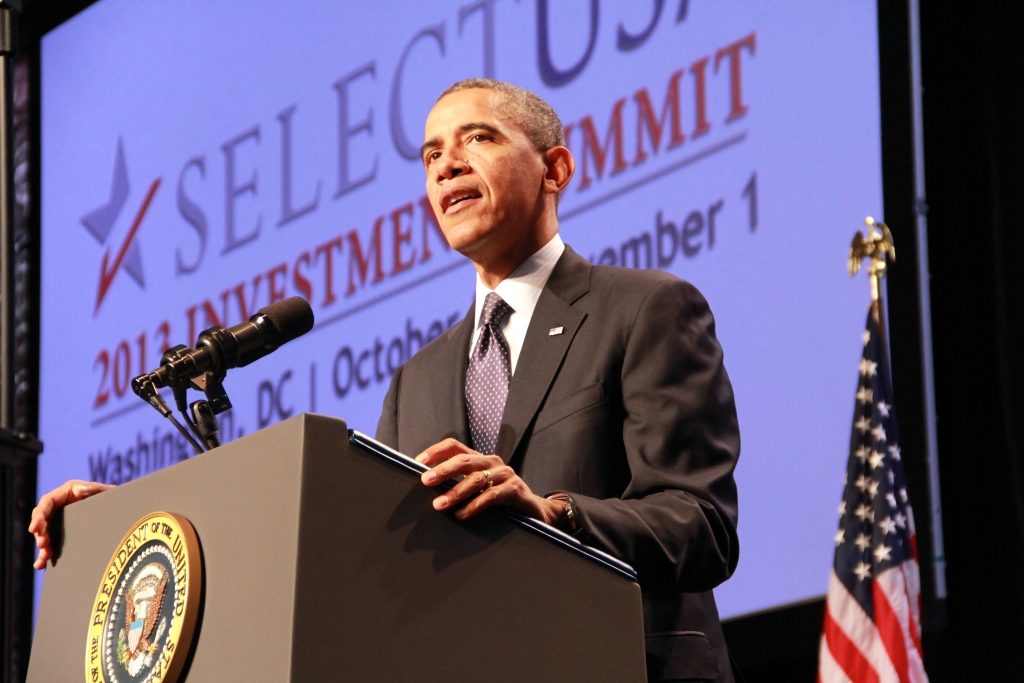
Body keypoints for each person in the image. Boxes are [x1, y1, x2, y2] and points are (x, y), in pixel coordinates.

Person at [32, 79, 741, 682]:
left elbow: (701, 524)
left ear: (555, 169)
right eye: (432, 153)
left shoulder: (644, 307)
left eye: (478, 139)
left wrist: (552, 513)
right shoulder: (417, 377)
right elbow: (350, 559)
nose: (446, 165)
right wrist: (135, 519)